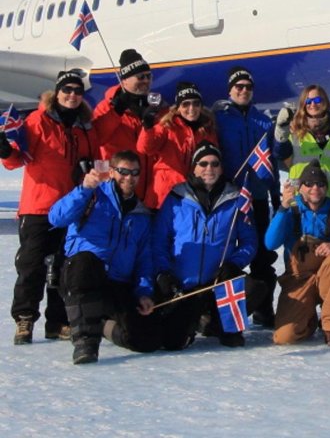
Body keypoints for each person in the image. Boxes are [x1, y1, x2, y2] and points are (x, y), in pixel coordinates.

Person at [1, 69, 99, 345]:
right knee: (31, 267)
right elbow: (16, 158)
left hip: (70, 208)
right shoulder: (38, 121)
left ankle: (57, 321)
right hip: (39, 206)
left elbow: (90, 160)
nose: (72, 95)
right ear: (57, 93)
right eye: (67, 90)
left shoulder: (84, 127)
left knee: (63, 267)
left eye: (78, 91)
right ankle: (25, 319)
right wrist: (5, 151)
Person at [47, 150, 159, 364]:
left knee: (147, 339)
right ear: (111, 172)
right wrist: (84, 189)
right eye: (123, 171)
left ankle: (99, 323)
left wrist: (144, 292)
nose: (129, 177)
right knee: (85, 261)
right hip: (82, 274)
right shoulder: (94, 195)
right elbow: (56, 217)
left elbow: (145, 260)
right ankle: (85, 342)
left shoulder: (141, 215)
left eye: (135, 173)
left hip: (116, 283)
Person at [152, 142, 260, 349]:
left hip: (218, 282)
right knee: (172, 342)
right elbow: (159, 241)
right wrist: (164, 272)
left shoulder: (235, 198)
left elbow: (249, 241)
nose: (209, 168)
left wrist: (234, 263)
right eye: (203, 163)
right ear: (194, 167)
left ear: (221, 167)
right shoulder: (176, 198)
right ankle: (195, 321)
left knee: (255, 287)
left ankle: (220, 326)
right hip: (184, 285)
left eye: (214, 163)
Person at [265, 160, 330, 346]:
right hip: (298, 280)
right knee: (285, 338)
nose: (314, 188)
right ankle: (308, 319)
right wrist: (283, 208)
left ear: (326, 188)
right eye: (308, 184)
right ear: (300, 187)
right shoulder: (291, 212)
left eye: (320, 184)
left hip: (328, 279)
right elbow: (270, 243)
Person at [213, 65, 280, 326]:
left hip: (258, 197)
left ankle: (264, 308)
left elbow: (270, 161)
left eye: (248, 87)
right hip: (231, 198)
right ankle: (221, 312)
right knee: (229, 256)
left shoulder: (263, 120)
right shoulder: (219, 118)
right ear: (230, 90)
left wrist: (274, 193)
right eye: (238, 87)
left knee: (263, 255)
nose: (243, 91)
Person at [138, 81, 216, 210]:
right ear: (178, 107)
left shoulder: (206, 129)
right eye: (186, 104)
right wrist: (147, 127)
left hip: (193, 194)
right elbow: (145, 148)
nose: (191, 109)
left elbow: (213, 158)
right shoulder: (167, 126)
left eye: (196, 103)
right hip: (164, 194)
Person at [93, 48, 157, 200]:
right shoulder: (106, 107)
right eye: (140, 77)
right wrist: (116, 112)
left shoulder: (154, 107)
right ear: (125, 80)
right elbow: (97, 138)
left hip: (148, 192)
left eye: (149, 76)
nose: (146, 81)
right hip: (117, 189)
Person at [276, 84, 330, 205]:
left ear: (325, 103)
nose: (313, 104)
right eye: (308, 100)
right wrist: (281, 129)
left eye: (317, 100)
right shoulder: (295, 131)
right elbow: (281, 154)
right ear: (303, 104)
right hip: (301, 201)